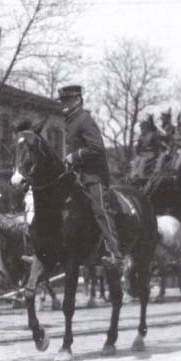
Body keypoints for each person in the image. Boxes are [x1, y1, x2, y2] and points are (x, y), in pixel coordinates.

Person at [58, 84, 125, 272]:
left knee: (100, 209)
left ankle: (115, 253)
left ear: (78, 100)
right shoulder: (70, 121)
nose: (63, 104)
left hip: (93, 176)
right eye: (62, 100)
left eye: (67, 100)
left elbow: (97, 148)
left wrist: (75, 156)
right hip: (77, 176)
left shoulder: (84, 119)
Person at [132, 115, 167, 188]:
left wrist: (159, 152)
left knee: (143, 160)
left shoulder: (152, 135)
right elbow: (138, 147)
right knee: (135, 160)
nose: (141, 129)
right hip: (143, 153)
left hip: (151, 153)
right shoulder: (141, 136)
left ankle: (141, 177)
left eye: (142, 127)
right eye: (141, 128)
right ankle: (134, 175)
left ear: (146, 127)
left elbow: (158, 145)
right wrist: (137, 152)